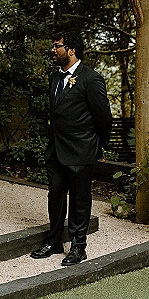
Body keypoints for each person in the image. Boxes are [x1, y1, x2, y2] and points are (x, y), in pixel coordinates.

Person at [30, 31, 112, 266]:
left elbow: (104, 118)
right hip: (56, 149)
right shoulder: (54, 78)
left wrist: (96, 146)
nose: (53, 50)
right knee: (55, 194)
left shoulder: (91, 79)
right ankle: (54, 241)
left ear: (72, 49)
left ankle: (78, 246)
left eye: (57, 46)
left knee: (79, 200)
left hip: (81, 151)